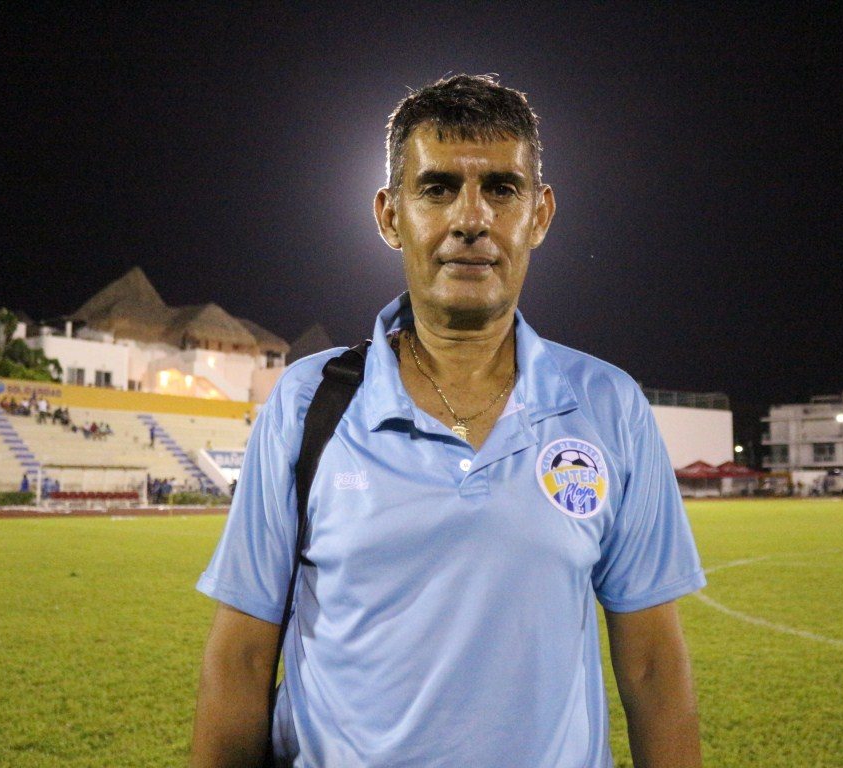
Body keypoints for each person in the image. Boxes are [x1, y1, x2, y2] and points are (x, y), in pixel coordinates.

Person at [191, 74, 705, 768]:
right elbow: (241, 661)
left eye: (502, 188)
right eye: (437, 189)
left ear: (540, 214)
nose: (471, 219)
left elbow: (651, 667)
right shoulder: (307, 402)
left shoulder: (609, 406)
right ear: (390, 215)